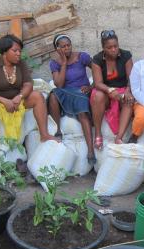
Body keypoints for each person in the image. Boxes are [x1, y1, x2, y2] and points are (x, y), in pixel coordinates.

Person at [0, 34, 54, 142]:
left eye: (20, 51)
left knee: (37, 96)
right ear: (5, 51)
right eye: (15, 50)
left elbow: (28, 84)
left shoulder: (21, 64)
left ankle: (44, 135)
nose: (18, 54)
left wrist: (20, 97)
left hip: (17, 102)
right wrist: (3, 101)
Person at [47, 34, 96, 165]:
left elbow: (98, 71)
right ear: (57, 49)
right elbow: (59, 84)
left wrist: (91, 87)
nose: (67, 48)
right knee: (53, 94)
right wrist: (63, 63)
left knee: (81, 108)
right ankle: (58, 130)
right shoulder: (55, 63)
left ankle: (90, 151)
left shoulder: (82, 57)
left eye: (68, 45)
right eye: (63, 47)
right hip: (66, 92)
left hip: (81, 92)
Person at [90, 30, 135, 149]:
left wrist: (127, 91)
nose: (114, 49)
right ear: (103, 48)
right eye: (109, 47)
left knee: (129, 100)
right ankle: (98, 133)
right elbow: (98, 83)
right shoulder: (97, 59)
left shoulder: (126, 56)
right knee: (97, 95)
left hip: (122, 89)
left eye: (116, 46)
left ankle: (119, 137)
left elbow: (131, 78)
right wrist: (110, 90)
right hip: (105, 90)